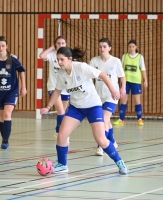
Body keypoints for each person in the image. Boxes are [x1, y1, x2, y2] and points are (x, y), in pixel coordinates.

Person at [40, 47, 128, 175]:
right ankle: (62, 164)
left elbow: (102, 75)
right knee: (62, 135)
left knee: (101, 139)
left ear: (70, 59)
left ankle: (119, 162)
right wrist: (48, 107)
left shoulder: (81, 67)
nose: (59, 62)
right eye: (58, 60)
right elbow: (57, 91)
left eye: (62, 59)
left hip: (93, 106)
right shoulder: (61, 74)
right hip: (76, 108)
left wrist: (113, 91)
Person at [0, 36, 27, 149]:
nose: (1, 48)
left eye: (3, 46)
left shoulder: (13, 59)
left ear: (7, 46)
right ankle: (4, 138)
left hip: (11, 91)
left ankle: (5, 140)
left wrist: (23, 87)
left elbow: (22, 72)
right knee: (2, 116)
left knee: (7, 114)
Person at [90, 38, 126, 156]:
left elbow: (122, 77)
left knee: (104, 119)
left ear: (109, 48)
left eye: (104, 46)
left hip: (112, 95)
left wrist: (123, 88)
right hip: (97, 95)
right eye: (100, 46)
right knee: (107, 121)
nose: (102, 49)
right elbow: (88, 77)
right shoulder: (94, 61)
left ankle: (101, 146)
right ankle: (113, 141)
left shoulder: (116, 61)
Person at [39, 36, 70, 141]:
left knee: (63, 112)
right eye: (58, 43)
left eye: (63, 43)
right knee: (61, 110)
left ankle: (58, 129)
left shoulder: (69, 57)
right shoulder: (52, 55)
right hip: (53, 87)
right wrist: (52, 47)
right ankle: (61, 133)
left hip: (66, 88)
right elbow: (42, 55)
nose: (60, 45)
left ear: (65, 44)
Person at [113, 39, 148, 126]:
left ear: (136, 47)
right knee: (123, 100)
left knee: (137, 101)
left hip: (136, 82)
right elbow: (120, 69)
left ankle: (140, 119)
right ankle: (121, 119)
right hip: (126, 81)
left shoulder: (140, 57)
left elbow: (143, 69)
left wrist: (145, 80)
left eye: (133, 46)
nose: (131, 48)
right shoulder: (124, 56)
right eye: (130, 47)